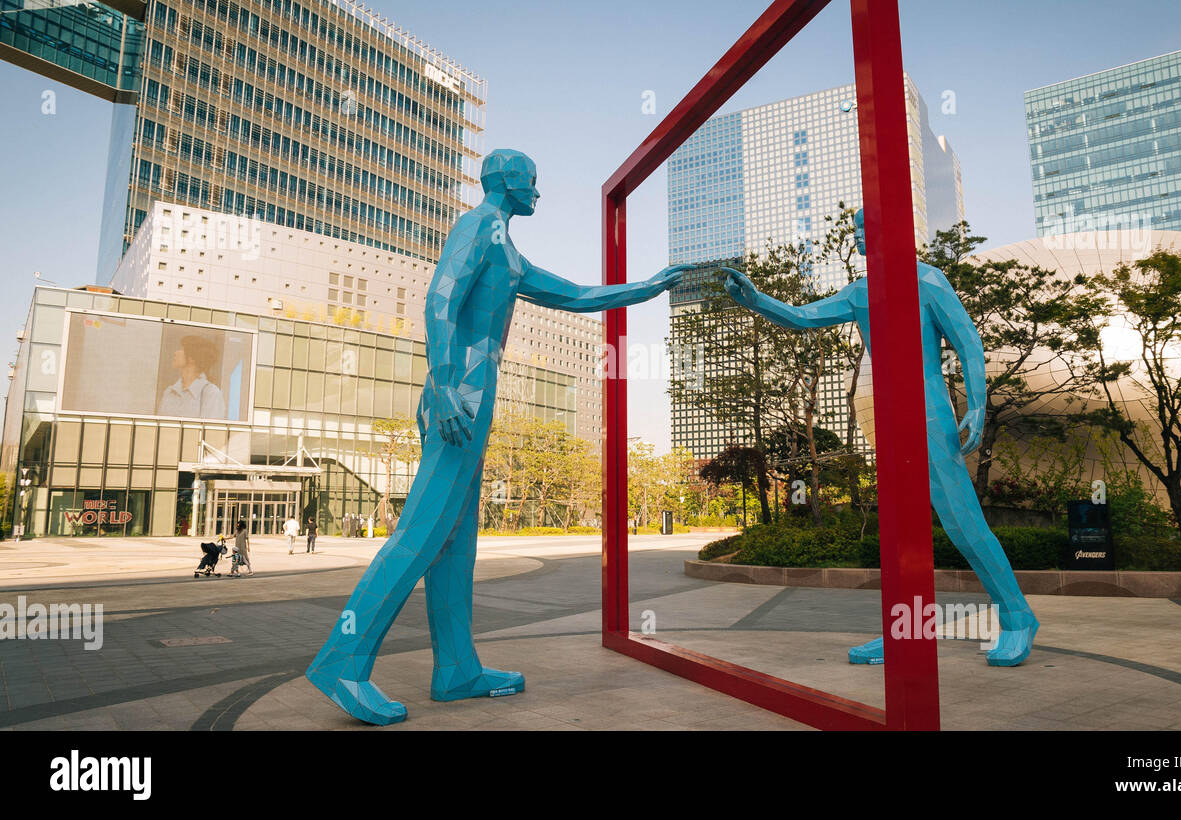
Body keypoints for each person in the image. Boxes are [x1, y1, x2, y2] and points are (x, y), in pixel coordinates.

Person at [307, 149, 690, 726]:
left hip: (470, 398)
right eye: (532, 180)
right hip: (457, 397)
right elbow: (440, 298)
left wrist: (647, 288)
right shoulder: (478, 226)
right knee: (419, 534)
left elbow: (575, 294)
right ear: (508, 181)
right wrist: (440, 384)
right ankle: (343, 661)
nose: (538, 190)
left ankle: (457, 669)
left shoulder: (504, 247)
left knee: (455, 542)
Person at [722, 208, 1038, 668]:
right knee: (898, 532)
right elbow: (801, 317)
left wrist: (977, 404)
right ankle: (905, 632)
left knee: (963, 524)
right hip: (890, 421)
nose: (858, 237)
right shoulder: (859, 292)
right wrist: (756, 300)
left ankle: (1017, 616)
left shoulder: (927, 280)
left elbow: (967, 340)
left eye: (866, 228)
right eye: (855, 230)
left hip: (930, 415)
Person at [157, 334, 225, 419]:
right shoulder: (169, 392)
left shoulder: (211, 393)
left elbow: (211, 431)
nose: (175, 353)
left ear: (192, 358)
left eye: (181, 349)